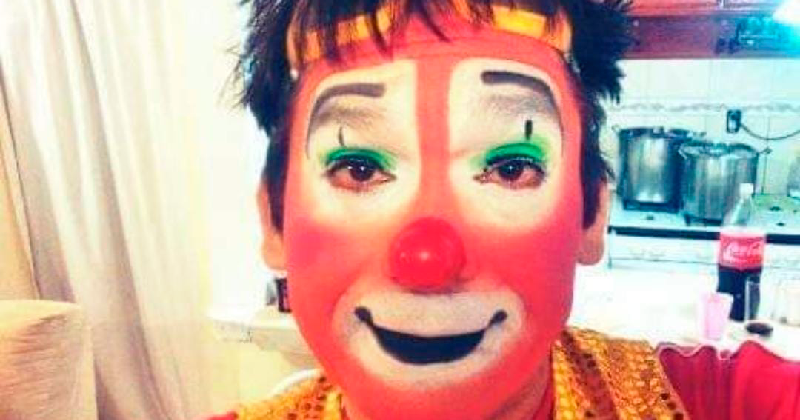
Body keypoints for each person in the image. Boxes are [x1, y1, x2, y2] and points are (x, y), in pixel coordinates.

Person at [210, 0, 800, 418]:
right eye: (359, 167)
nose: (427, 258)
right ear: (274, 221)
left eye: (511, 167)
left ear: (592, 213)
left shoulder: (723, 404)